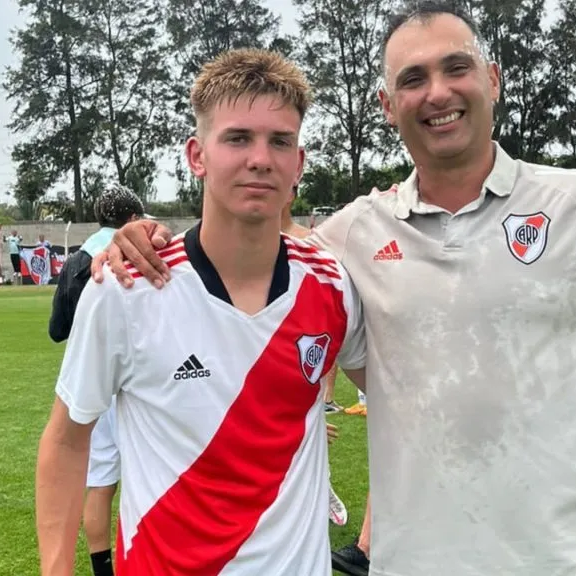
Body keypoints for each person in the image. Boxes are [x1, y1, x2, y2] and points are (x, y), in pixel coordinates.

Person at [92, 4, 576, 575]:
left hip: (574, 558)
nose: (437, 93)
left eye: (455, 68)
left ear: (492, 80)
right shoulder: (347, 240)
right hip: (413, 561)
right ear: (386, 105)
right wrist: (141, 236)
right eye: (412, 79)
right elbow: (244, 230)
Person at [35, 48, 368, 576]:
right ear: (197, 155)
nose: (260, 157)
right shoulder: (126, 288)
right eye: (238, 137)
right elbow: (66, 440)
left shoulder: (330, 281)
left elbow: (398, 395)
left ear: (298, 164)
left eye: (280, 141)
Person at [47, 184, 146, 576]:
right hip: (137, 381)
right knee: (147, 475)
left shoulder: (77, 259)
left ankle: (102, 569)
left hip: (90, 382)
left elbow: (57, 330)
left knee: (101, 481)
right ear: (134, 218)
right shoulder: (141, 253)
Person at [281, 184, 350, 528]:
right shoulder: (240, 249)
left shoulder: (315, 242)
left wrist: (325, 396)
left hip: (304, 347)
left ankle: (321, 486)